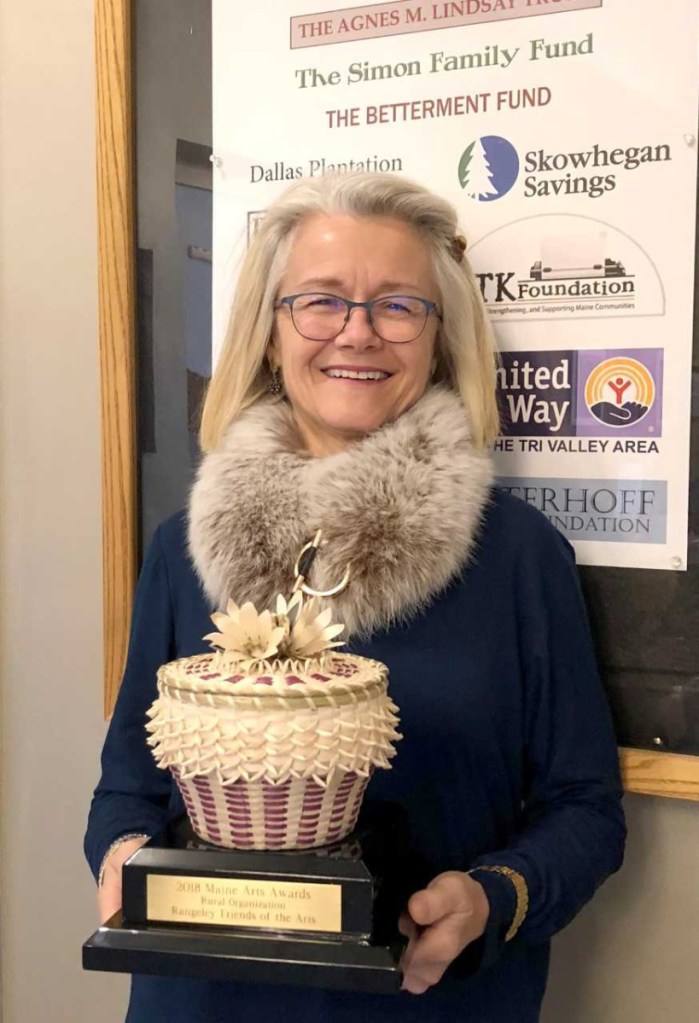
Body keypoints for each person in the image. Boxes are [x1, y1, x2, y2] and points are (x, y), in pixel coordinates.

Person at [85, 172, 625, 1023]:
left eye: (398, 306)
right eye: (321, 302)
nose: (358, 333)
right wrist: (120, 855)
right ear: (269, 335)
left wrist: (490, 898)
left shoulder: (518, 557)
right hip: (201, 1003)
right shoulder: (179, 550)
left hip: (430, 1005)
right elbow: (127, 786)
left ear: (438, 338)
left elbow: (584, 811)